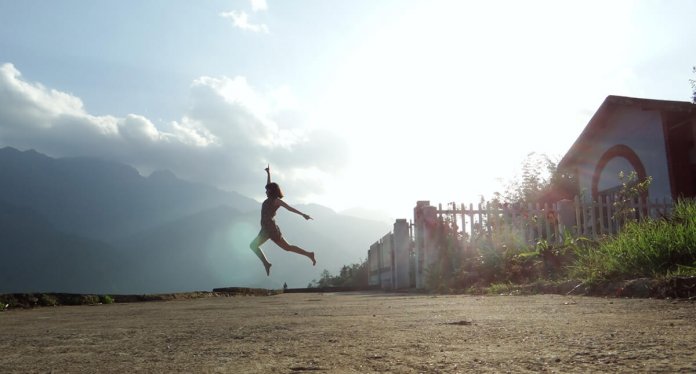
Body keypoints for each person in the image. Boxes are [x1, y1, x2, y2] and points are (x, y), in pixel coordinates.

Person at [249, 165, 316, 276]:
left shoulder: (276, 201)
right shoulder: (270, 198)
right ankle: (309, 254)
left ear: (271, 191)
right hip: (265, 228)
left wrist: (303, 214)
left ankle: (267, 263)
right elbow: (268, 185)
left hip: (270, 229)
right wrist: (268, 173)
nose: (265, 191)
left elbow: (289, 208)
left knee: (284, 247)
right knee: (286, 248)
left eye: (267, 190)